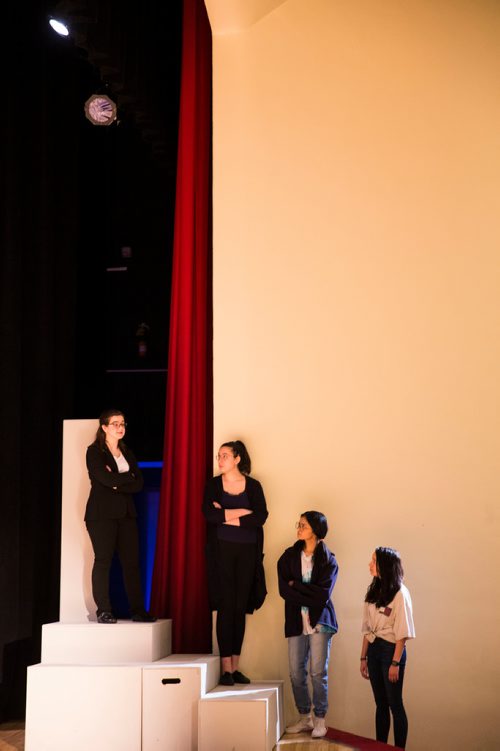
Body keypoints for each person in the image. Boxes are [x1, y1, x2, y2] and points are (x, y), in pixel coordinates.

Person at [202, 440, 268, 686]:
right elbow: (210, 515)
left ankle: (236, 666)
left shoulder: (254, 486)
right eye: (219, 456)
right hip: (222, 552)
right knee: (225, 606)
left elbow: (261, 517)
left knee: (240, 607)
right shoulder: (213, 485)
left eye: (225, 456)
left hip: (248, 552)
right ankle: (225, 668)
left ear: (238, 459)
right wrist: (243, 512)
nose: (220, 460)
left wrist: (226, 516)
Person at [85, 409, 156, 624]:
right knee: (103, 560)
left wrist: (117, 480)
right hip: (101, 515)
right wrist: (124, 479)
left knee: (131, 563)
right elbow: (104, 479)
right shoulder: (94, 451)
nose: (120, 427)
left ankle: (137, 610)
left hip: (126, 514)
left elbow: (139, 483)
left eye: (123, 423)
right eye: (115, 423)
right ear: (104, 427)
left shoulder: (127, 452)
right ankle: (104, 610)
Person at [277, 511, 338, 739]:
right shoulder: (288, 556)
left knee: (317, 672)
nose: (299, 527)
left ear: (315, 529)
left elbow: (322, 597)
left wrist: (297, 587)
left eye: (303, 524)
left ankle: (320, 719)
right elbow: (284, 590)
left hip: (321, 622)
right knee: (295, 672)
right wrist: (305, 592)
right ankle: (305, 717)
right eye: (299, 524)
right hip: (295, 621)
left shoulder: (329, 560)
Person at [360, 547, 415, 750]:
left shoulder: (401, 593)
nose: (370, 564)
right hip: (374, 649)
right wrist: (363, 658)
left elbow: (403, 633)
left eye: (374, 561)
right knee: (380, 704)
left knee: (395, 704)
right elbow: (367, 628)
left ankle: (399, 748)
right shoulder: (373, 589)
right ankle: (380, 746)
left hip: (392, 650)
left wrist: (395, 662)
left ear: (384, 564)